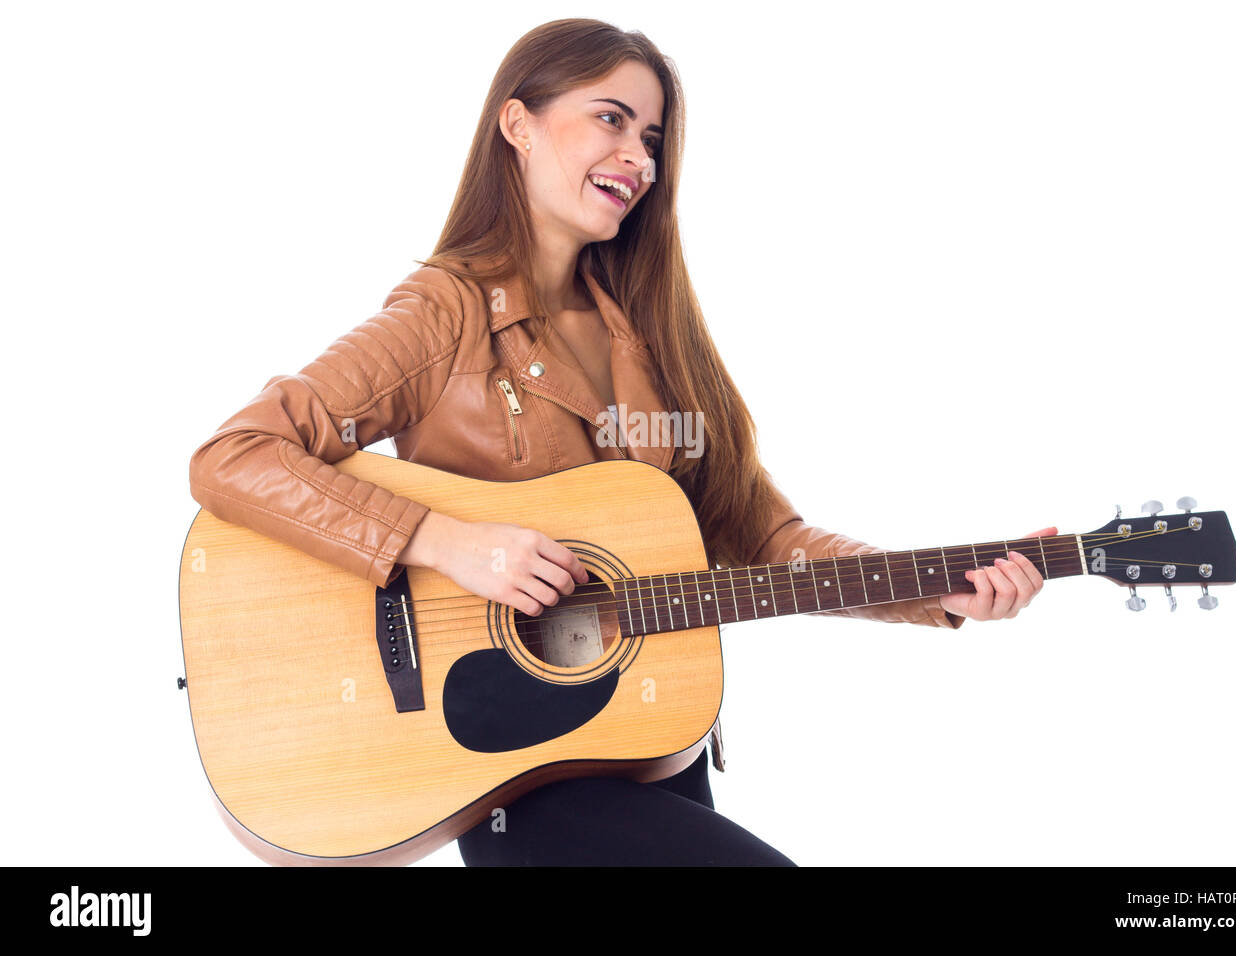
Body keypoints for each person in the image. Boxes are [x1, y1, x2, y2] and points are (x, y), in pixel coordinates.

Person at [189, 18, 1053, 866]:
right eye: (611, 118)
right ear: (517, 123)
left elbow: (763, 537)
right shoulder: (445, 313)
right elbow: (237, 455)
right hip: (516, 772)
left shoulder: (655, 330)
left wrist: (939, 590)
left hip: (650, 739)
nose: (639, 158)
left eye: (652, 137)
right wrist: (451, 544)